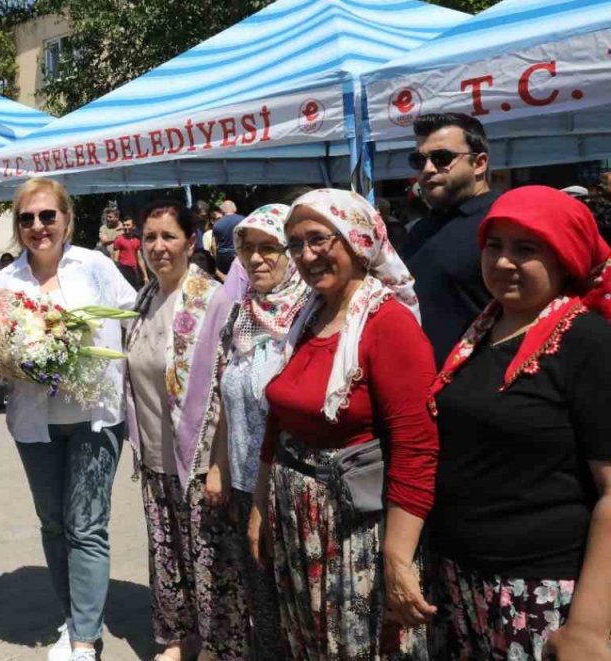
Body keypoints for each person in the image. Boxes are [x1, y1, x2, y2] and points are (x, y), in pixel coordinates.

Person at [249, 189, 437, 660]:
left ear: (357, 238)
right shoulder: (306, 316)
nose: (307, 256)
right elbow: (279, 419)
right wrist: (260, 506)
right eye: (295, 244)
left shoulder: (387, 324)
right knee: (310, 644)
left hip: (355, 528)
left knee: (359, 647)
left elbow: (416, 449)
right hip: (298, 517)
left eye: (318, 240)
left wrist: (397, 560)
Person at [428, 187, 611, 660]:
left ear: (564, 256)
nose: (504, 262)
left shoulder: (587, 340)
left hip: (542, 589)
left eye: (526, 249)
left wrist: (588, 627)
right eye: (495, 245)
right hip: (462, 577)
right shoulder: (481, 329)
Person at [0, 178, 137, 661]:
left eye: (47, 215)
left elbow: (134, 318)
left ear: (67, 219)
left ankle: (84, 638)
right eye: (27, 218)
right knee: (53, 524)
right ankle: (71, 617)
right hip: (35, 423)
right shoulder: (6, 281)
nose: (38, 226)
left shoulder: (95, 267)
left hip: (96, 417)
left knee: (87, 526)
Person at [124, 200, 238, 661]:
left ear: (191, 241)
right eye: (150, 237)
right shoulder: (145, 298)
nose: (158, 247)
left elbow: (229, 386)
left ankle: (218, 643)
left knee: (210, 556)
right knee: (168, 550)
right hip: (155, 452)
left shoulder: (213, 298)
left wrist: (219, 463)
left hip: (200, 456)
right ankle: (178, 636)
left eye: (168, 236)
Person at [217, 205, 309, 660]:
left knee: (300, 610)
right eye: (247, 249)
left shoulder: (309, 319)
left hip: (289, 492)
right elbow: (226, 402)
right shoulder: (239, 317)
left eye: (269, 248)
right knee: (263, 607)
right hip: (241, 483)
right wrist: (219, 467)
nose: (256, 259)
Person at [400, 112, 499, 364]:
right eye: (418, 160)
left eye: (442, 158)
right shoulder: (420, 230)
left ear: (479, 163)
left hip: (486, 388)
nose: (428, 169)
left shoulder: (505, 220)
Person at [210, 200, 244, 276]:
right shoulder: (243, 220)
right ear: (234, 208)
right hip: (238, 255)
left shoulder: (217, 224)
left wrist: (216, 260)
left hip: (223, 257)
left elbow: (213, 245)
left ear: (222, 210)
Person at [111, 219, 146, 289]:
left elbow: (140, 259)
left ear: (133, 227)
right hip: (124, 271)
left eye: (128, 225)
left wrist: (145, 275)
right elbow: (116, 259)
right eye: (124, 225)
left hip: (135, 271)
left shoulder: (137, 240)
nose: (126, 227)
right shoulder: (119, 240)